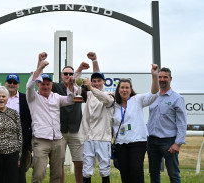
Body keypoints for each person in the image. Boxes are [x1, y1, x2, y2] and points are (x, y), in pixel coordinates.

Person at [26, 53, 77, 183]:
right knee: (38, 174)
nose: (46, 86)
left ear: (51, 85)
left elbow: (71, 100)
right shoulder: (33, 97)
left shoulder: (56, 97)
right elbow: (29, 86)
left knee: (56, 176)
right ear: (38, 84)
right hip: (41, 140)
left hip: (58, 140)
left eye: (48, 84)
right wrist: (39, 66)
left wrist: (71, 87)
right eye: (43, 84)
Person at [112, 64, 159, 183]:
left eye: (127, 87)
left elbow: (153, 94)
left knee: (136, 170)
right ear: (118, 89)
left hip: (137, 142)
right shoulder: (113, 104)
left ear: (131, 89)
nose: (124, 90)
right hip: (120, 143)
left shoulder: (137, 99)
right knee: (124, 172)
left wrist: (154, 76)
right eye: (122, 87)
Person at [47, 53, 89, 182]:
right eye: (66, 74)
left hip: (77, 130)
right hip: (59, 131)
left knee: (79, 163)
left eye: (71, 74)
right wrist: (79, 69)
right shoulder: (55, 87)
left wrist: (79, 71)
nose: (68, 76)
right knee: (58, 164)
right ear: (61, 75)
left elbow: (73, 82)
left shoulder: (79, 89)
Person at [77, 52, 115, 183]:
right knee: (87, 170)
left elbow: (103, 97)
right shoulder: (88, 95)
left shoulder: (110, 95)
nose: (96, 83)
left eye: (99, 80)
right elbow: (75, 83)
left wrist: (91, 87)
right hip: (88, 137)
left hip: (103, 138)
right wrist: (91, 63)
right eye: (94, 81)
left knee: (104, 169)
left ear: (104, 82)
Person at [147, 67, 187, 183]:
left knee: (173, 174)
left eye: (165, 77)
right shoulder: (153, 97)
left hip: (169, 142)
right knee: (153, 173)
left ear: (170, 78)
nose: (162, 79)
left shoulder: (177, 98)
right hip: (152, 141)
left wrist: (178, 143)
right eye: (160, 77)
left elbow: (182, 122)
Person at [5, 73, 32, 183]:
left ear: (18, 85)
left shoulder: (24, 98)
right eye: (10, 82)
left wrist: (29, 141)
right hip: (3, 140)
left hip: (20, 140)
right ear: (6, 83)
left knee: (20, 172)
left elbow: (29, 120)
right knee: (5, 171)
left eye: (14, 82)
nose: (12, 84)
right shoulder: (0, 97)